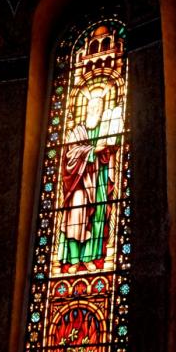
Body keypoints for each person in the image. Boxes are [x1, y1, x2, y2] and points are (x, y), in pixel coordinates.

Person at [59, 88, 120, 273]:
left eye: (100, 107)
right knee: (75, 217)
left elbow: (108, 153)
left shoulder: (104, 128)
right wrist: (93, 150)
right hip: (79, 182)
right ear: (87, 109)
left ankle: (90, 257)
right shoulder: (77, 131)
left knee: (99, 216)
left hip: (99, 177)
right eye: (94, 106)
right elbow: (70, 154)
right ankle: (74, 259)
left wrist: (108, 148)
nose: (97, 110)